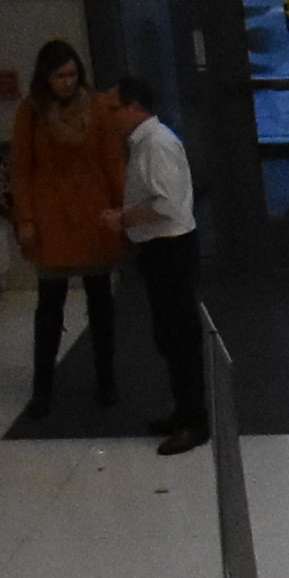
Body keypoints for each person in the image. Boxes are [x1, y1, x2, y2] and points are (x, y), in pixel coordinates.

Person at [5, 37, 131, 416]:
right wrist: (25, 219)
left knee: (101, 304)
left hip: (93, 217)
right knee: (49, 309)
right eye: (59, 75)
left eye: (72, 74)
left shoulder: (97, 109)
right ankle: (42, 389)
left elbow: (113, 162)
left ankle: (106, 381)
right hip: (51, 218)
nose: (67, 82)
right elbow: (21, 171)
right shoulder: (31, 112)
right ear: (45, 77)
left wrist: (124, 211)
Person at [109, 65, 210, 454]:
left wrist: (121, 219)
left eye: (114, 109)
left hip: (171, 248)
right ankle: (184, 411)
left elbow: (166, 205)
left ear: (134, 107)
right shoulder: (146, 144)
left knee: (180, 337)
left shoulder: (156, 144)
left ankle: (195, 419)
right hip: (160, 249)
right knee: (169, 335)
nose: (111, 119)